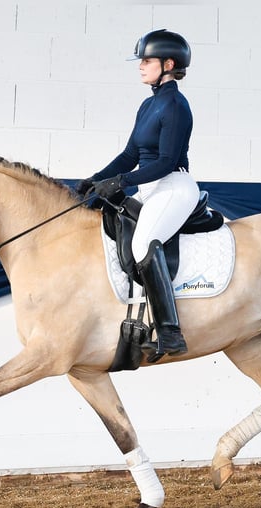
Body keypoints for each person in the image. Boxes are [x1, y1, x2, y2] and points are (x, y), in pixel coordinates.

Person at [77, 29, 198, 362]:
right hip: (151, 186)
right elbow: (131, 153)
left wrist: (120, 182)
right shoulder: (148, 105)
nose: (140, 66)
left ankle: (171, 331)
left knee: (143, 243)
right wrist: (96, 179)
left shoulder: (175, 105)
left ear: (168, 63)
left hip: (173, 185)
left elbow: (165, 162)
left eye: (146, 61)